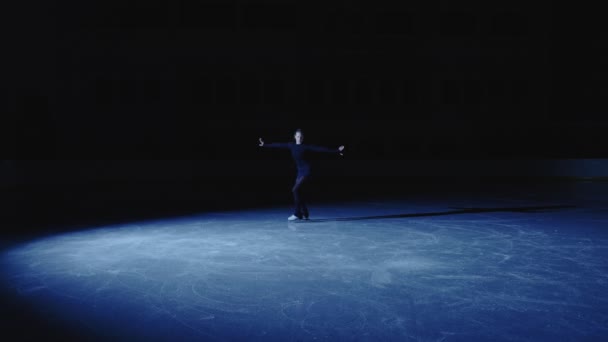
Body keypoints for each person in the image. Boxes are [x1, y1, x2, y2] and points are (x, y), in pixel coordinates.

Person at [259, 129, 345, 221]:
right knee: (299, 192)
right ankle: (305, 213)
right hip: (299, 171)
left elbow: (320, 149)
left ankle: (297, 213)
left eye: (301, 136)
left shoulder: (305, 146)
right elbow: (278, 145)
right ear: (294, 136)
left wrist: (336, 150)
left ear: (302, 138)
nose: (299, 138)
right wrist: (264, 144)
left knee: (294, 190)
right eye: (297, 136)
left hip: (307, 171)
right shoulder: (291, 145)